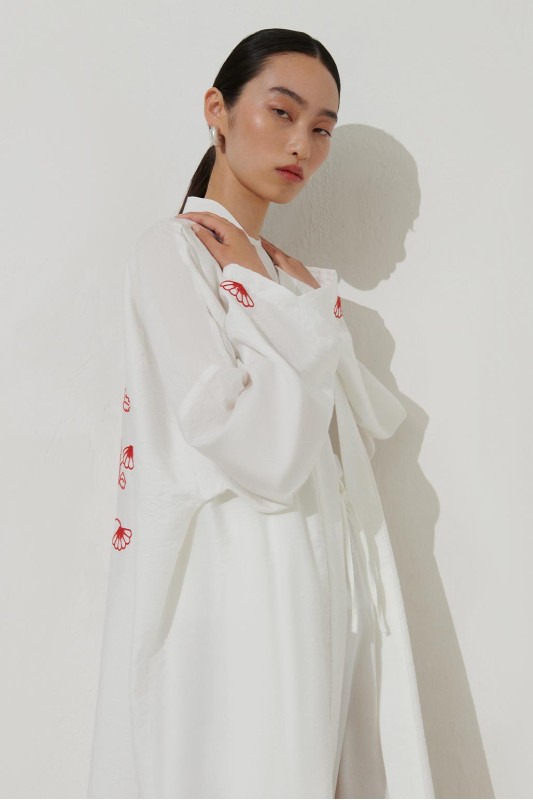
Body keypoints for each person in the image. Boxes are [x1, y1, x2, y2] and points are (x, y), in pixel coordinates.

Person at [87, 28, 434, 799]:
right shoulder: (171, 252)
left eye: (321, 128)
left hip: (324, 576)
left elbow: (362, 427)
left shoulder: (287, 277)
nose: (301, 144)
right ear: (217, 109)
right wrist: (273, 300)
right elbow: (253, 448)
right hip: (241, 575)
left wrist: (282, 292)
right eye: (281, 112)